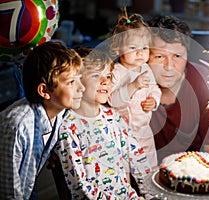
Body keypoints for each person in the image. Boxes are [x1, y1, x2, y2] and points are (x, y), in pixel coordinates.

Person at [54, 47, 151, 199]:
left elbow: (137, 158)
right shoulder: (68, 128)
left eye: (109, 76)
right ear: (77, 81)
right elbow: (80, 186)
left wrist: (150, 193)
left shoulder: (113, 117)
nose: (106, 81)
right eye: (96, 75)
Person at [0, 41, 84, 199]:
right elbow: (9, 192)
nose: (82, 88)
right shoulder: (18, 126)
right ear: (44, 90)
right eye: (71, 82)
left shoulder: (60, 112)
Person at [147, 15, 209, 163]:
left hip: (191, 171)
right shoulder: (130, 85)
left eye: (177, 56)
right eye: (159, 56)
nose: (169, 66)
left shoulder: (207, 82)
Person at [108, 10, 161, 168]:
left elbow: (155, 89)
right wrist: (134, 85)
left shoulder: (145, 68)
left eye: (144, 48)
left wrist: (154, 99)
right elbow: (112, 100)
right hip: (123, 133)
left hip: (144, 130)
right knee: (126, 169)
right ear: (117, 50)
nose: (140, 53)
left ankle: (149, 190)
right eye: (133, 48)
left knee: (150, 166)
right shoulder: (116, 72)